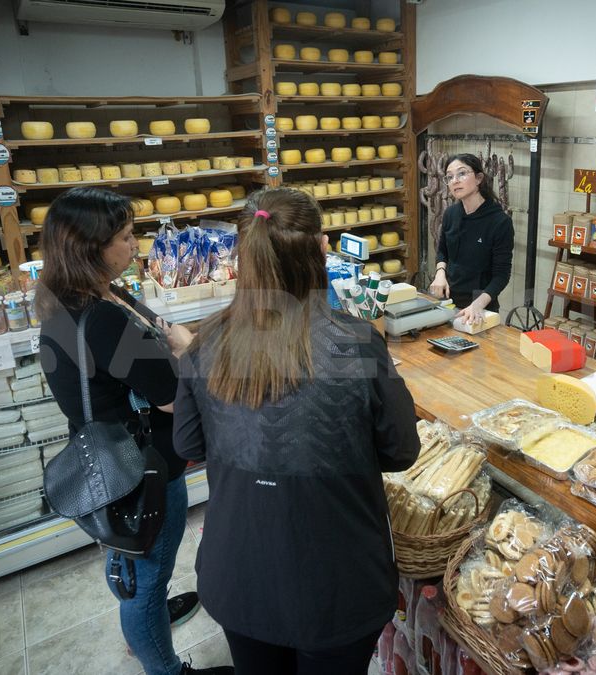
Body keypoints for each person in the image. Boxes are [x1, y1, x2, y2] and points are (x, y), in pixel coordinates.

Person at [173, 187, 420, 674]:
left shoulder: (206, 345)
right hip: (337, 583)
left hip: (241, 575)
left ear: (243, 258)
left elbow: (188, 444)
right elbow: (402, 449)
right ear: (322, 247)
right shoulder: (357, 344)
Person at [35, 187, 231, 675]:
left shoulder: (63, 299)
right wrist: (186, 350)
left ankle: (144, 618)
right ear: (90, 247)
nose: (134, 245)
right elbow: (169, 394)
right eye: (125, 237)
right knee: (146, 577)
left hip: (107, 459)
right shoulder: (100, 319)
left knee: (131, 560)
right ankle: (162, 661)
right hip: (144, 470)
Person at [428, 153, 515, 325]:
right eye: (450, 177)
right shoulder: (450, 213)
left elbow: (501, 275)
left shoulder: (499, 222)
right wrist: (440, 273)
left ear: (478, 178)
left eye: (462, 173)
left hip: (480, 306)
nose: (455, 181)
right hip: (448, 300)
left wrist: (478, 305)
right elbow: (443, 251)